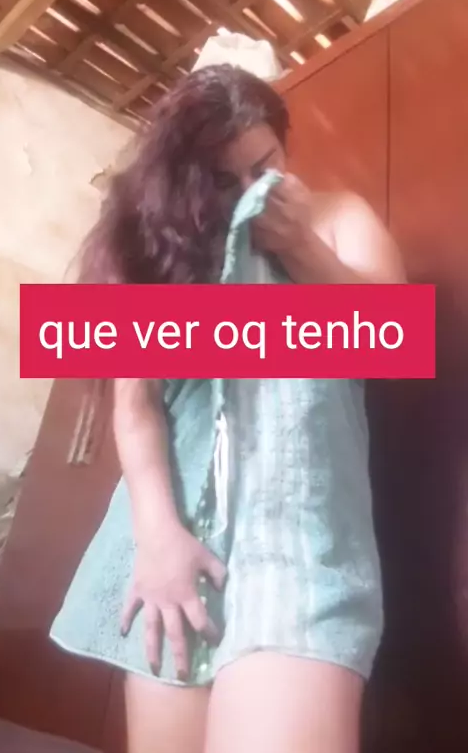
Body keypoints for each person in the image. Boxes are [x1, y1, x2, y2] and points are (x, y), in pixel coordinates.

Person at [50, 64, 405, 753]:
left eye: (263, 166)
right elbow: (137, 408)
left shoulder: (337, 217)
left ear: (284, 144)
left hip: (303, 548)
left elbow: (396, 344)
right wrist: (158, 540)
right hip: (178, 549)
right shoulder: (169, 254)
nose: (250, 190)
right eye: (223, 179)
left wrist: (300, 247)